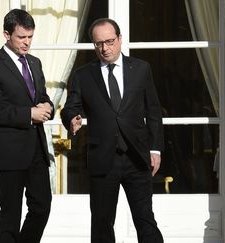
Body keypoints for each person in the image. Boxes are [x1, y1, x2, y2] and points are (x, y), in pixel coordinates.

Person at [61, 18, 164, 243]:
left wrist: (155, 149)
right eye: (99, 44)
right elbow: (71, 108)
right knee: (102, 223)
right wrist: (72, 119)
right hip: (103, 158)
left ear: (119, 39)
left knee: (145, 220)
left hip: (137, 157)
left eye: (109, 41)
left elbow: (154, 111)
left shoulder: (141, 69)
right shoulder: (82, 75)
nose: (105, 48)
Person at [0, 9, 54, 243]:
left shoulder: (35, 63)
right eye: (22, 37)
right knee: (10, 215)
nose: (27, 42)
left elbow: (41, 95)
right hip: (8, 151)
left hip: (36, 151)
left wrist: (47, 106)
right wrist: (29, 114)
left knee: (42, 207)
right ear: (6, 34)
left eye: (30, 37)